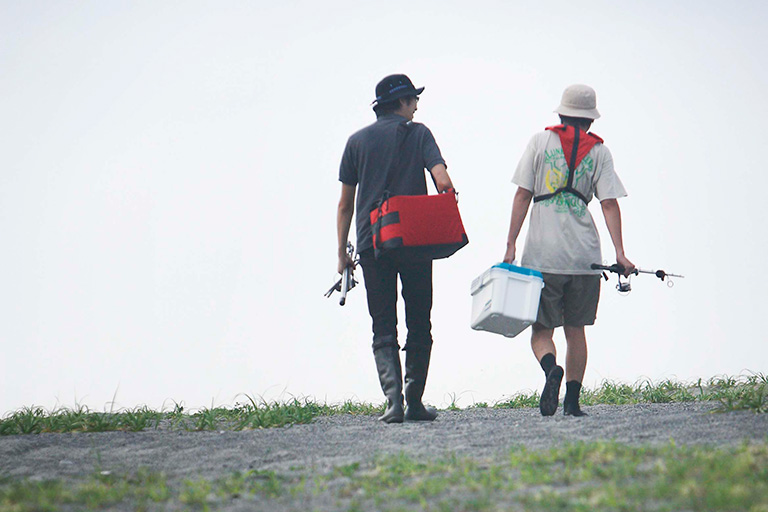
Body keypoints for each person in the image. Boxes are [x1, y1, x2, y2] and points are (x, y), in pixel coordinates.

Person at [503, 84, 635, 417]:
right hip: (584, 257)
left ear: (561, 114)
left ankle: (551, 370)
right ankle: (573, 403)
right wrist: (620, 252)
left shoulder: (539, 142)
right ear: (590, 120)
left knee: (541, 330)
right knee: (576, 330)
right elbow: (608, 204)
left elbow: (522, 195)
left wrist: (510, 245)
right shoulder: (601, 153)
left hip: (542, 254)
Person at [336, 74, 454, 423]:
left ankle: (393, 404)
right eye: (413, 100)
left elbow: (345, 204)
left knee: (382, 322)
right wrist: (447, 199)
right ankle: (414, 400)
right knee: (420, 318)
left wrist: (341, 252)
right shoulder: (419, 134)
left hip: (373, 242)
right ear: (401, 102)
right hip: (414, 240)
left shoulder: (356, 142)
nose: (417, 106)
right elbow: (443, 181)